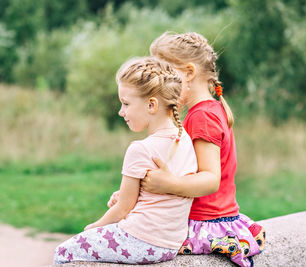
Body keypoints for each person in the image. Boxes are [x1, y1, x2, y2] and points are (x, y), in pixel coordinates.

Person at [108, 32, 265, 267]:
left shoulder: (202, 117)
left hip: (204, 223)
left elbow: (211, 180)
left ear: (189, 73)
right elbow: (183, 172)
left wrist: (166, 184)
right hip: (209, 216)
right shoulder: (206, 111)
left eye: (166, 73)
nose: (159, 83)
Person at [53, 56, 198, 265]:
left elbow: (123, 209)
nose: (121, 112)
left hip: (141, 238)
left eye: (126, 103)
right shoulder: (183, 138)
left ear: (151, 104)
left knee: (64, 252)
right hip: (171, 243)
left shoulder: (140, 149)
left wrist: (93, 228)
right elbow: (165, 194)